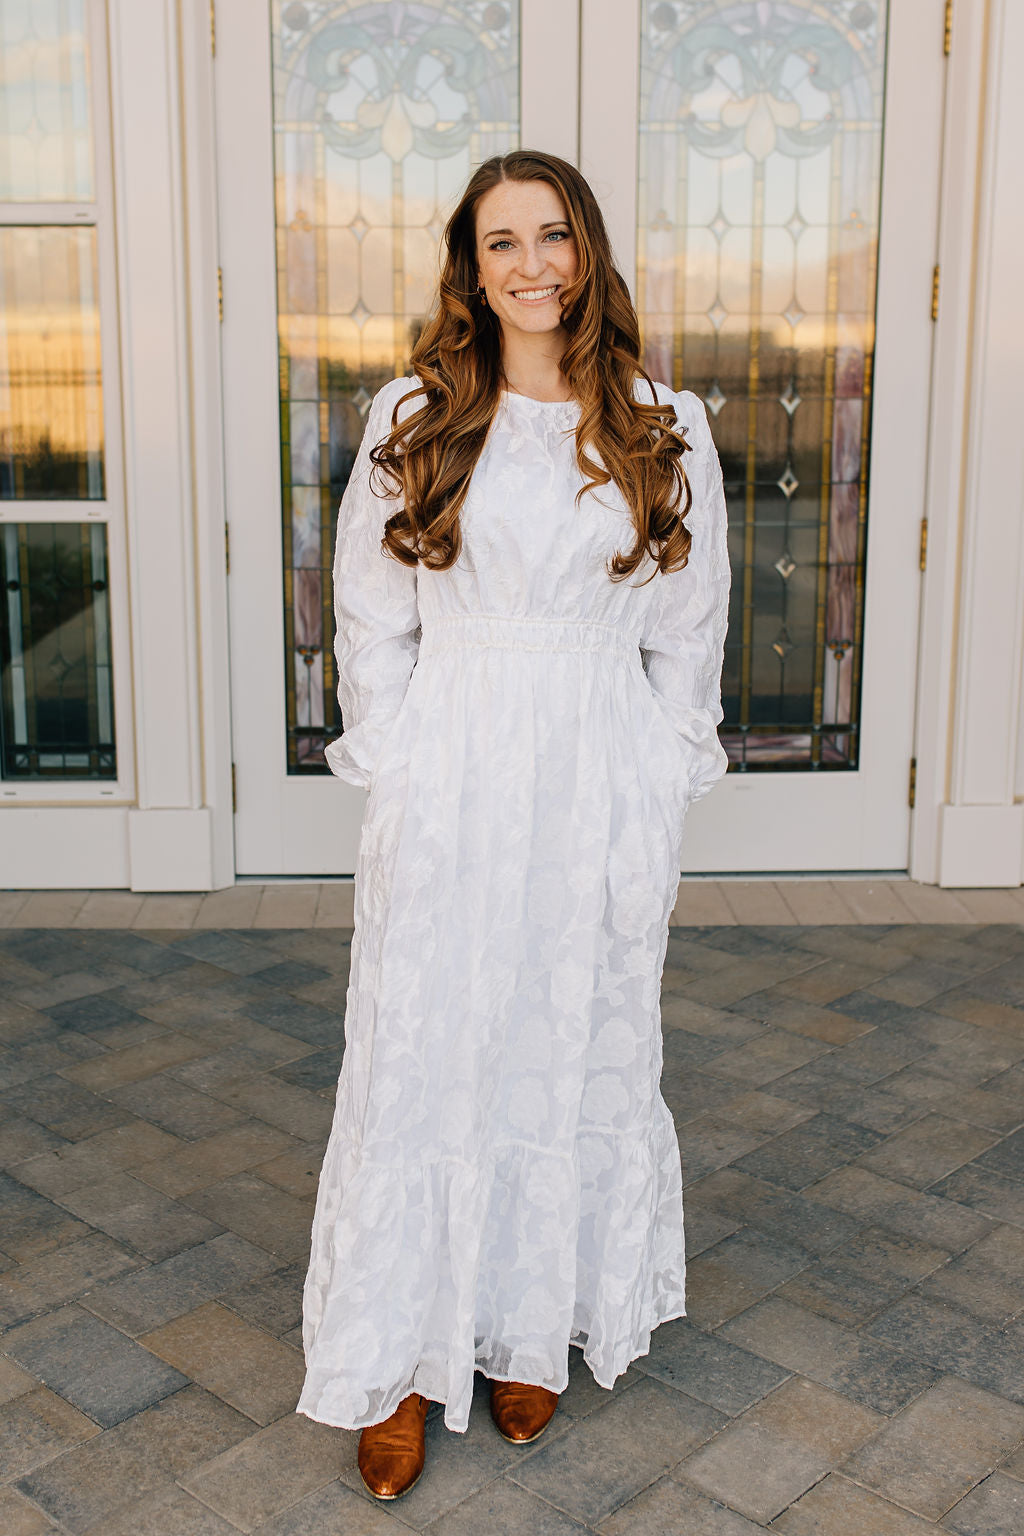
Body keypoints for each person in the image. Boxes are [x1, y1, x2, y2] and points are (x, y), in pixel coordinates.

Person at [295, 148, 731, 1500]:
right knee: (425, 1051)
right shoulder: (418, 413)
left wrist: (660, 775)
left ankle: (525, 1322)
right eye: (502, 243)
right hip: (457, 767)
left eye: (553, 236)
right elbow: (369, 612)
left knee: (566, 1037)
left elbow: (690, 627)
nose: (531, 265)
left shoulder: (661, 423)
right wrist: (403, 760)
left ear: (586, 250)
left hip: (596, 776)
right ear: (471, 271)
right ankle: (394, 1362)